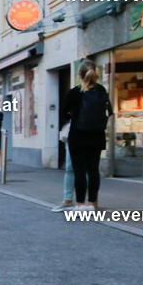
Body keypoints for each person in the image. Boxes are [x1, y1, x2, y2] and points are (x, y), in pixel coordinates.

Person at [64, 59, 112, 210]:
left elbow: (64, 114)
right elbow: (108, 112)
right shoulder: (101, 90)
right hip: (97, 136)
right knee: (93, 170)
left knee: (79, 170)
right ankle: (91, 203)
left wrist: (72, 113)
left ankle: (80, 204)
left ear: (79, 73)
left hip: (78, 136)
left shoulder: (74, 92)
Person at [50, 120, 75, 212]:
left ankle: (89, 202)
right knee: (70, 168)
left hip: (88, 132)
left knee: (87, 169)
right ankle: (68, 200)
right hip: (74, 132)